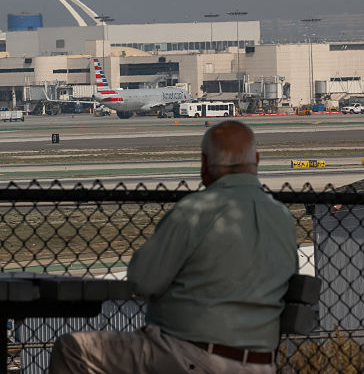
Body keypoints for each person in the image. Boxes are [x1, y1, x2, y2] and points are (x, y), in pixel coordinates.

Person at [50, 120, 297, 373]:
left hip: (191, 356)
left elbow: (142, 281)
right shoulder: (283, 218)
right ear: (256, 159)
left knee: (71, 349)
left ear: (204, 164)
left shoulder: (197, 211)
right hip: (261, 364)